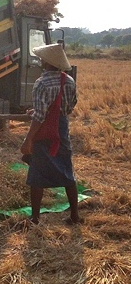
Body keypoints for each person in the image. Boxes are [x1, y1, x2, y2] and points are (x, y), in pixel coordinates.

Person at [20, 43, 81, 225]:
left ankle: (35, 218)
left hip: (45, 133)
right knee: (67, 171)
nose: (40, 61)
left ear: (46, 62)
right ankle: (75, 216)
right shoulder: (69, 81)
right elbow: (69, 107)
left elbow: (40, 116)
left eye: (42, 59)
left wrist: (28, 139)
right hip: (61, 130)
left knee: (37, 174)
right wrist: (45, 112)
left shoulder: (42, 83)